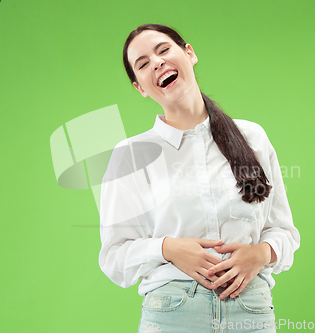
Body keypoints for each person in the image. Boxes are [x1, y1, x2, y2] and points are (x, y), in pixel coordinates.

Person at [98, 24, 300, 332]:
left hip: (251, 311)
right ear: (140, 87)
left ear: (189, 53)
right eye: (143, 63)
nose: (156, 62)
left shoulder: (252, 137)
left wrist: (259, 254)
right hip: (172, 314)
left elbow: (284, 232)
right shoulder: (131, 155)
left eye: (163, 50)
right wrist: (167, 248)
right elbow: (114, 257)